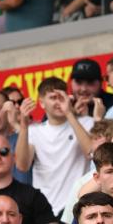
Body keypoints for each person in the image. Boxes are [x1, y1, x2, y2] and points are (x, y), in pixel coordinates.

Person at [13, 77, 94, 216]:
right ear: (42, 103)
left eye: (61, 97)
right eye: (53, 97)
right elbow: (22, 165)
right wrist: (24, 126)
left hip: (77, 205)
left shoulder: (86, 122)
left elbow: (91, 152)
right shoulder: (34, 131)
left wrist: (69, 113)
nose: (58, 102)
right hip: (43, 208)